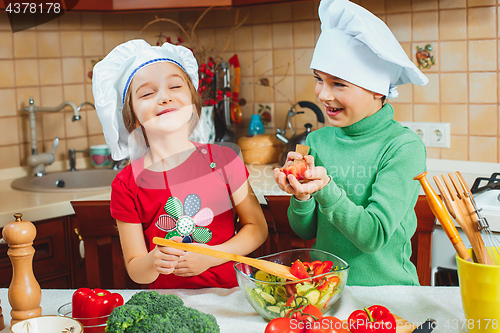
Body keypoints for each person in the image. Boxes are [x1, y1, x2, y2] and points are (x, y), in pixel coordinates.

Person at [274, 0, 429, 286]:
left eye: (338, 84)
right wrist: (301, 196)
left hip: (388, 298)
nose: (322, 94)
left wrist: (324, 187)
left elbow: (374, 236)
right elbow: (305, 230)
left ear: (376, 89)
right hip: (325, 291)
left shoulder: (403, 147)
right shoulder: (317, 140)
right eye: (318, 80)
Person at [92, 40, 268, 289]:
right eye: (147, 93)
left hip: (230, 298)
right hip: (169, 309)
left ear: (193, 101)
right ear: (132, 117)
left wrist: (212, 256)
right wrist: (153, 261)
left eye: (175, 86)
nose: (164, 97)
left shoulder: (224, 160)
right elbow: (136, 269)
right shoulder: (126, 185)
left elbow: (257, 228)